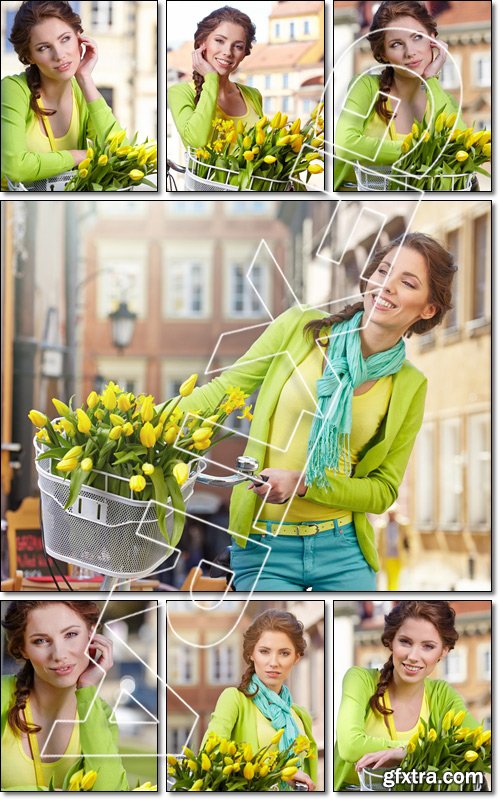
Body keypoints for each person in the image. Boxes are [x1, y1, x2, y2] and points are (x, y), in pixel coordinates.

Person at [175, 231, 457, 591]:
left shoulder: (409, 385)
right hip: (265, 545)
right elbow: (222, 392)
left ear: (428, 309)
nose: (387, 286)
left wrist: (305, 485)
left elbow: (383, 490)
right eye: (383, 271)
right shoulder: (300, 329)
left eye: (407, 282)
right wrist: (141, 422)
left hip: (343, 552)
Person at [334, 601, 482, 790]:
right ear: (390, 641)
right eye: (405, 642)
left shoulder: (442, 694)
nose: (413, 655)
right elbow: (351, 746)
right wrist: (416, 751)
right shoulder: (360, 680)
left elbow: (479, 749)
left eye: (428, 646)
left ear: (443, 651)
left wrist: (405, 753)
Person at [334, 0, 465, 190]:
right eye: (396, 44)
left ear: (433, 40)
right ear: (383, 54)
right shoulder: (366, 86)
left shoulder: (444, 100)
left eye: (418, 37)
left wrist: (431, 78)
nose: (410, 52)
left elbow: (461, 150)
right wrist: (420, 150)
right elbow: (345, 145)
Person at [1, 600, 128, 791]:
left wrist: (86, 689)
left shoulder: (99, 712)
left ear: (91, 636)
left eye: (71, 634)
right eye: (40, 641)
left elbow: (111, 790)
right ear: (22, 648)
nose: (59, 655)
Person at [1, 1, 122, 188]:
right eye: (43, 48)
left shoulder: (81, 92)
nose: (59, 55)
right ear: (29, 56)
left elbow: (121, 152)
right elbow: (16, 168)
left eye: (65, 39)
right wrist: (78, 155)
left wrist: (85, 78)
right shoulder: (13, 89)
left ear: (79, 37)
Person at [202, 610, 317, 790]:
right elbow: (208, 759)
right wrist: (278, 772)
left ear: (296, 658)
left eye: (284, 653)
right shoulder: (234, 700)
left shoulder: (301, 717)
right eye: (264, 651)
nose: (274, 662)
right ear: (251, 654)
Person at [167, 6, 263, 150]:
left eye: (238, 46)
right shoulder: (179, 93)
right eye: (219, 40)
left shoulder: (253, 95)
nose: (227, 52)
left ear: (244, 54)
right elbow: (196, 140)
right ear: (201, 43)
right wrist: (211, 78)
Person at [375, 503, 414, 591]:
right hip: (387, 556)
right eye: (389, 513)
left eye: (393, 513)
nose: (391, 515)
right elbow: (378, 543)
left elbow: (409, 540)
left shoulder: (402, 525)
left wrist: (409, 553)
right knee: (390, 578)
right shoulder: (382, 526)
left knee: (398, 578)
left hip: (399, 556)